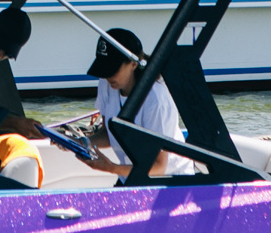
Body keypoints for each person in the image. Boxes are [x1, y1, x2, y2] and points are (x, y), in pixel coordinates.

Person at [80, 27, 197, 179]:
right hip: (132, 176)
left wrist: (111, 167)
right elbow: (109, 134)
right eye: (104, 69)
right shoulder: (107, 83)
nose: (107, 76)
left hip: (171, 180)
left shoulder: (156, 100)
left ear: (133, 64)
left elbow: (159, 167)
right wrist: (81, 142)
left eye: (112, 69)